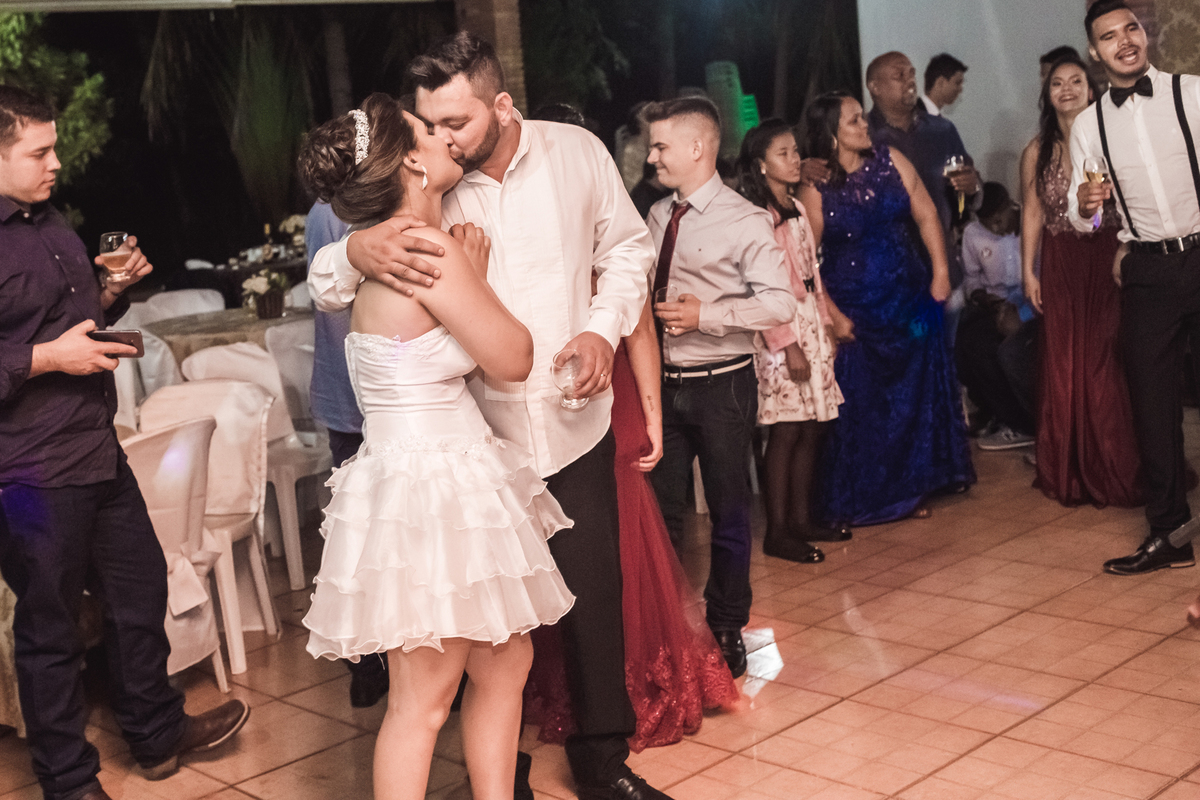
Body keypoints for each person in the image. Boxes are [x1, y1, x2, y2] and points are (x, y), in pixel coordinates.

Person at [307, 33, 671, 800]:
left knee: (566, 617)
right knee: (457, 669)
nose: (442, 139)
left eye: (454, 124)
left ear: (500, 105)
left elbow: (630, 251)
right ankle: (507, 781)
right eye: (426, 127)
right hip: (471, 457)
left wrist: (603, 331)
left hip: (564, 427)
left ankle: (601, 764)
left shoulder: (576, 153)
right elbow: (334, 275)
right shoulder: (427, 215)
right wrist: (355, 249)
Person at [298, 93, 576, 800]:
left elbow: (331, 281)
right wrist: (473, 279)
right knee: (422, 703)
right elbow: (511, 356)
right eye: (428, 130)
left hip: (429, 480)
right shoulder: (429, 249)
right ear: (412, 165)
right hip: (437, 491)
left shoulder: (369, 257)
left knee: (502, 669)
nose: (444, 137)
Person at [0, 84, 248, 800]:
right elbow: (41, 348)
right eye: (38, 152)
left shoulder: (51, 221)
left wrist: (110, 293)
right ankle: (69, 781)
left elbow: (65, 318)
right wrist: (49, 359)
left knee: (139, 596)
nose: (56, 164)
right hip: (30, 472)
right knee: (50, 634)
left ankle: (156, 732)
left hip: (97, 450)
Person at [524, 292, 739, 752]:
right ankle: (574, 688)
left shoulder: (613, 243)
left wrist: (653, 419)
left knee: (623, 542)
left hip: (609, 400)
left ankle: (624, 690)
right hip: (540, 400)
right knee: (559, 546)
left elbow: (640, 332)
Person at [643, 97, 798, 678]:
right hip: (665, 383)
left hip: (724, 385)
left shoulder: (744, 219)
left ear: (697, 148)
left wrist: (707, 313)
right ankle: (668, 627)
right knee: (665, 514)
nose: (652, 156)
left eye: (661, 146)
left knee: (731, 511)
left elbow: (780, 303)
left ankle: (727, 624)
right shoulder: (658, 215)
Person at [799, 92, 975, 526]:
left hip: (910, 299)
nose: (865, 126)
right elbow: (803, 262)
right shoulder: (815, 186)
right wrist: (833, 315)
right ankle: (869, 495)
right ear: (830, 133)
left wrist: (939, 272)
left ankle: (916, 483)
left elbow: (928, 214)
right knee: (864, 400)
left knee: (915, 388)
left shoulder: (891, 159)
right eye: (854, 121)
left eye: (862, 117)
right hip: (856, 310)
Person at [1070, 0, 1200, 574]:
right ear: (1096, 53)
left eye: (1131, 29)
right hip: (1147, 270)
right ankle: (1170, 533)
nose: (1125, 41)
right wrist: (1086, 207)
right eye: (1109, 36)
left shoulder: (1190, 93)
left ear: (1144, 36)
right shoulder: (1088, 124)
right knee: (1152, 405)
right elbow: (1087, 220)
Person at [1021, 51, 1142, 509]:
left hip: (1108, 255)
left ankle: (1115, 466)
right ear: (1047, 94)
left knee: (1105, 361)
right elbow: (1033, 211)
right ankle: (1068, 466)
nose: (1067, 89)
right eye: (1057, 83)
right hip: (1060, 260)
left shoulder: (1114, 140)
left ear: (1092, 89)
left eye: (1076, 80)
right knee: (1063, 362)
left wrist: (1128, 249)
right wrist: (1026, 269)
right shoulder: (1037, 149)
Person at [734, 118, 846, 562]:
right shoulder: (756, 218)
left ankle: (801, 518)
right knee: (786, 429)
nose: (795, 159)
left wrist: (825, 320)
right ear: (761, 165)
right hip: (779, 329)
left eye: (796, 151)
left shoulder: (797, 208)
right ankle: (778, 529)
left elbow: (811, 272)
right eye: (784, 153)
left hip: (807, 323)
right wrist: (788, 342)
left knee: (812, 426)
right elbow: (754, 287)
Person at [305, 199, 392, 709]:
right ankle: (364, 663)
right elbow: (338, 312)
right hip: (356, 405)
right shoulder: (331, 211)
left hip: (380, 403)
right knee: (357, 542)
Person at [863, 51, 981, 343]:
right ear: (874, 87)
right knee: (905, 370)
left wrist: (972, 188)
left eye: (911, 73)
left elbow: (970, 199)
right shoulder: (862, 139)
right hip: (890, 282)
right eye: (899, 75)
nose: (909, 81)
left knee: (944, 366)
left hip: (943, 273)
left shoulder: (942, 130)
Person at [957, 182, 1037, 451]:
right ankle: (1004, 417)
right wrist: (987, 301)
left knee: (1008, 351)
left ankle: (1029, 422)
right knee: (970, 342)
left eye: (999, 220)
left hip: (1035, 305)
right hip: (996, 305)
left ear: (1010, 207)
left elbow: (1048, 280)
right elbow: (972, 281)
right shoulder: (972, 234)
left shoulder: (1033, 224)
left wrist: (1022, 315)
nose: (995, 228)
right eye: (988, 224)